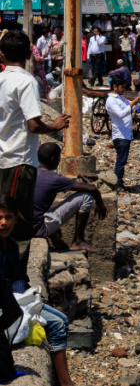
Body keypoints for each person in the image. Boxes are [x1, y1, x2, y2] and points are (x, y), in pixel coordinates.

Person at [0, 31, 70, 264]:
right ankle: (16, 278)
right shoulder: (26, 81)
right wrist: (54, 126)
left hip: (3, 159)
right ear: (30, 54)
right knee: (18, 222)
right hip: (18, 161)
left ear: (1, 55)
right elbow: (33, 124)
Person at [0, 195, 75, 386]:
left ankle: (61, 378)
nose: (3, 223)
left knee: (62, 320)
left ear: (16, 219)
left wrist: (22, 298)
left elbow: (17, 278)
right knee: (58, 323)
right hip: (4, 305)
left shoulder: (12, 246)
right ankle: (65, 382)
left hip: (14, 300)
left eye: (8, 217)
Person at [34, 142, 106, 253]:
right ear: (53, 159)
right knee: (86, 197)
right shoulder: (54, 178)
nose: (59, 160)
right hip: (38, 229)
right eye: (59, 157)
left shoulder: (30, 174)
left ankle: (55, 238)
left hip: (24, 227)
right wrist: (100, 204)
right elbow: (92, 189)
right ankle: (78, 241)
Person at [106, 76, 140, 192]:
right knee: (121, 160)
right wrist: (131, 105)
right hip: (120, 134)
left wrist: (138, 101)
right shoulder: (111, 101)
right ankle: (118, 184)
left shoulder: (120, 98)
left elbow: (132, 106)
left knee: (123, 160)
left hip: (126, 134)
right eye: (122, 87)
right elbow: (121, 113)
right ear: (114, 87)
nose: (123, 90)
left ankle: (119, 182)